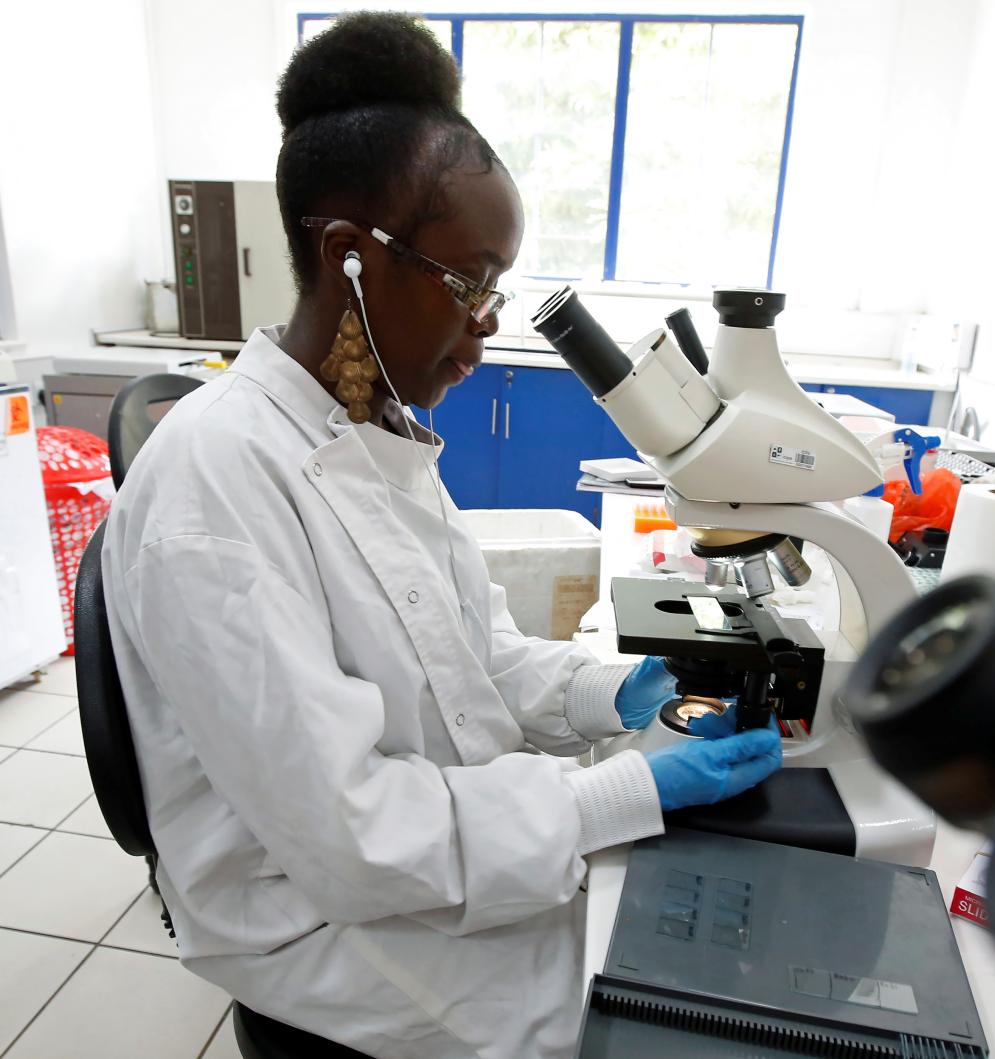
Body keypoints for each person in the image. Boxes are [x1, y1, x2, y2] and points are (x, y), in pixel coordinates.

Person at [102, 14, 781, 1058]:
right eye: (471, 283)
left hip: (442, 852)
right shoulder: (218, 481)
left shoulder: (374, 437)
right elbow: (352, 835)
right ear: (352, 258)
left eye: (496, 287)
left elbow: (480, 658)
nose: (488, 321)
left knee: (682, 952)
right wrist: (624, 789)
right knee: (651, 1028)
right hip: (318, 921)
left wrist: (621, 693)